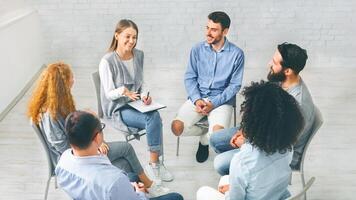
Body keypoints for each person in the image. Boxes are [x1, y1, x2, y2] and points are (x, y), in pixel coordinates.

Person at [27, 62, 169, 197]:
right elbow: (63, 147)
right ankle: (148, 186)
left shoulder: (60, 102)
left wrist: (99, 143)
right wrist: (94, 148)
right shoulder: (50, 114)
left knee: (124, 164)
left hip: (82, 149)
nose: (74, 79)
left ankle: (136, 192)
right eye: (71, 77)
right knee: (126, 148)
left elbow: (80, 127)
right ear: (61, 85)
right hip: (75, 158)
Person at [210, 42, 315, 175]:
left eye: (274, 63)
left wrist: (246, 144)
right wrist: (245, 130)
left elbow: (279, 144)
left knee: (220, 164)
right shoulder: (281, 81)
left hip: (278, 154)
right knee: (215, 140)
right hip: (265, 133)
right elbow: (263, 114)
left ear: (287, 71)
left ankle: (244, 179)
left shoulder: (297, 105)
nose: (269, 64)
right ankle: (239, 170)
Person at [197, 81, 304, 200]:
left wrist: (229, 192)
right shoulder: (288, 147)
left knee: (203, 191)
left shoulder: (242, 161)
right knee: (226, 179)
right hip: (275, 195)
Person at [99, 19, 173, 182]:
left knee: (155, 117)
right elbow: (109, 93)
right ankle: (155, 165)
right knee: (154, 118)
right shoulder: (107, 61)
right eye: (128, 36)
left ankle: (155, 165)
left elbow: (142, 82)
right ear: (117, 35)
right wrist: (123, 91)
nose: (131, 41)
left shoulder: (138, 55)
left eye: (135, 37)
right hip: (118, 108)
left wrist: (145, 95)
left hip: (136, 103)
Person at [55, 111, 184, 200]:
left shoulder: (62, 163)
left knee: (132, 176)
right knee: (177, 197)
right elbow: (115, 186)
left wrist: (129, 189)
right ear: (97, 137)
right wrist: (139, 193)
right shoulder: (114, 180)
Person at [171, 11, 245, 163]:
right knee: (176, 127)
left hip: (221, 100)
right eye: (207, 28)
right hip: (198, 96)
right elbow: (190, 77)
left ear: (225, 31)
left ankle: (205, 141)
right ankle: (205, 133)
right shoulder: (197, 49)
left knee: (217, 138)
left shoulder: (237, 54)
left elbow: (234, 86)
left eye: (214, 29)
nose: (208, 33)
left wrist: (213, 104)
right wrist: (197, 99)